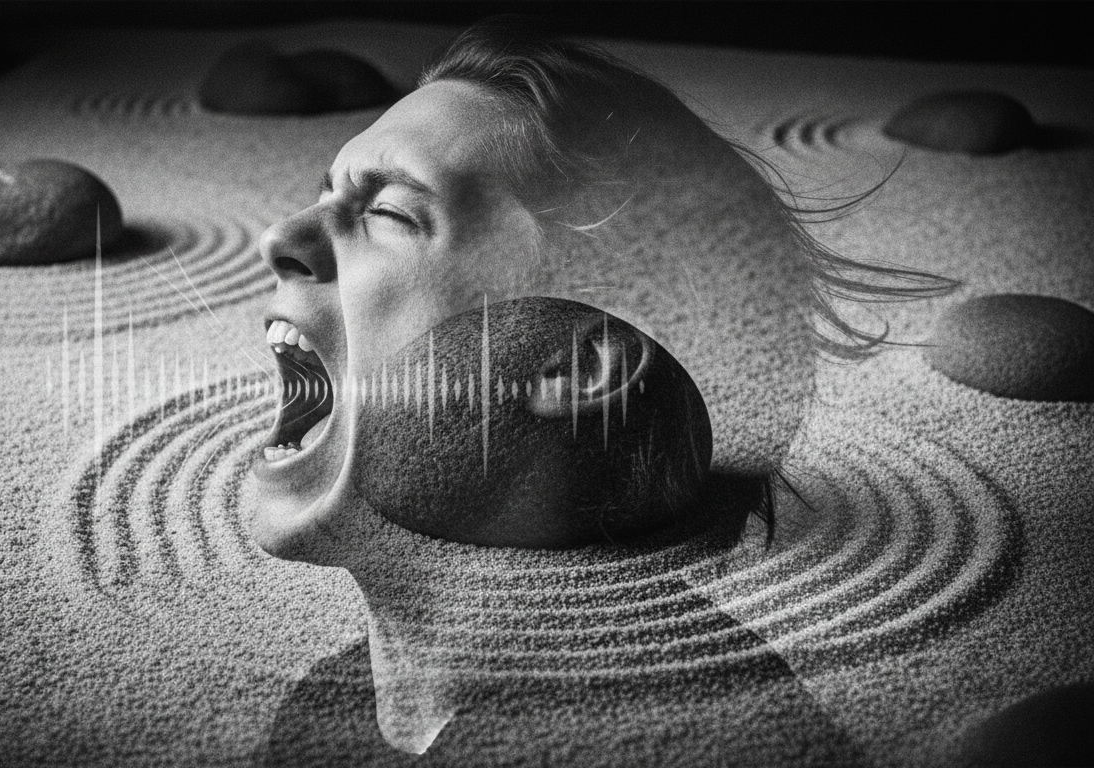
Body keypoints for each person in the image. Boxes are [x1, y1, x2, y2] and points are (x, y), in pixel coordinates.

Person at [249, 16, 951, 759]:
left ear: (577, 365)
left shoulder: (686, 742)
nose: (279, 238)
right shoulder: (329, 713)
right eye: (321, 195)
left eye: (389, 212)